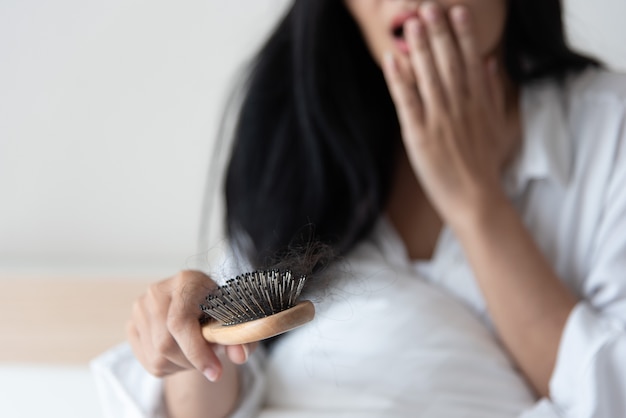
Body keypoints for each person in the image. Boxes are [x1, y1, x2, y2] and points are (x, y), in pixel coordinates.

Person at [91, 0, 626, 417]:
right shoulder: (297, 145)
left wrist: (476, 203)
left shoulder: (609, 131)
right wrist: (188, 333)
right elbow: (217, 392)